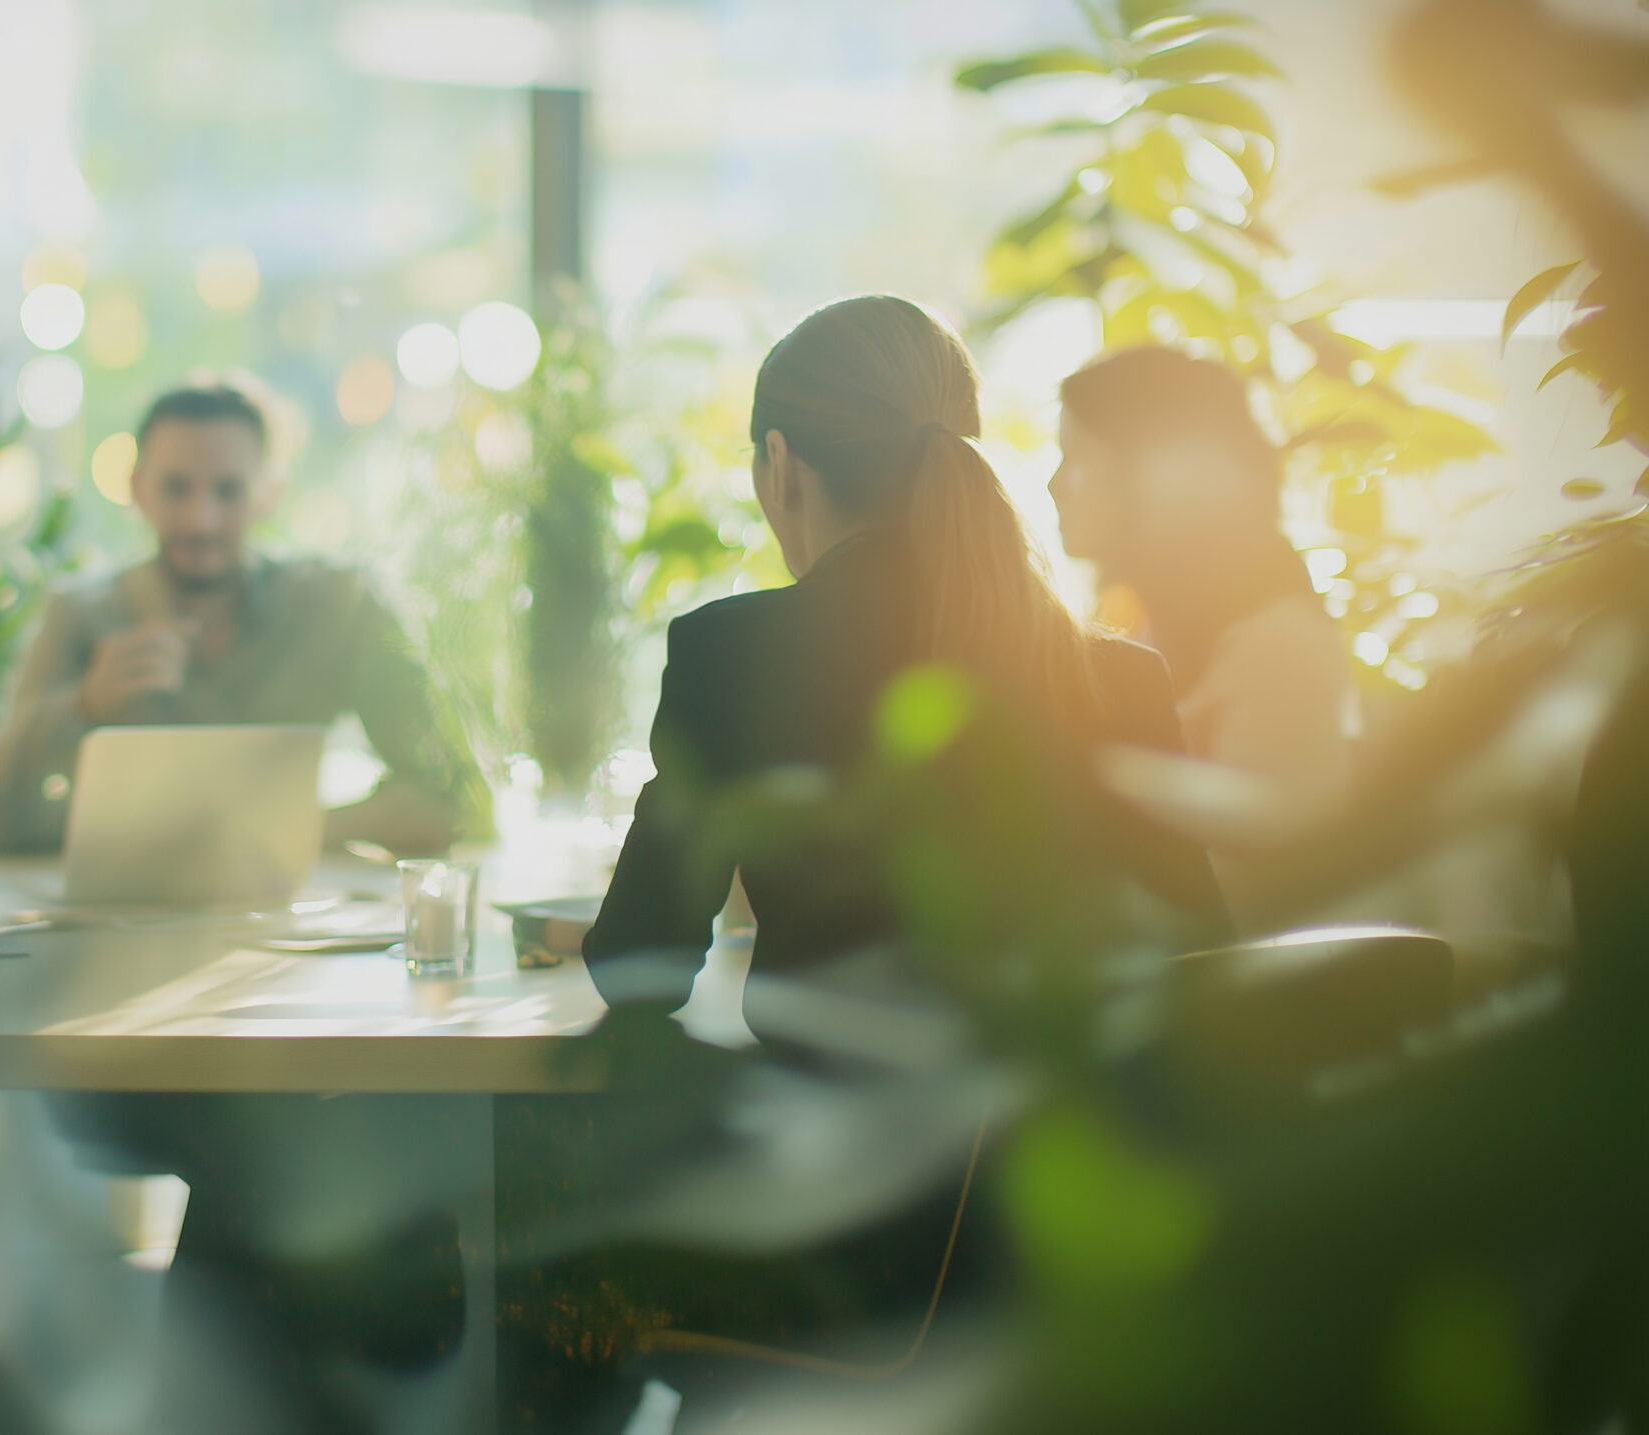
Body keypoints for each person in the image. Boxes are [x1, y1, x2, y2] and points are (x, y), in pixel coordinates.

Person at [514, 297, 1228, 1430]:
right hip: (1082, 1253)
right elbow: (1203, 957)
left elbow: (637, 962)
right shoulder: (1119, 680)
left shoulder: (729, 653)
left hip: (846, 1248)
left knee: (524, 1216)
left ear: (781, 465)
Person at [0, 383, 483, 856]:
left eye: (228, 491)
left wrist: (292, 829)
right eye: (176, 488)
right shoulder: (79, 613)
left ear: (269, 493)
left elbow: (461, 796)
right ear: (137, 488)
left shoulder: (340, 603)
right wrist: (83, 705)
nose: (200, 519)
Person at [1052, 345, 1355, 927]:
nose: (1054, 485)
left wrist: (1091, 778)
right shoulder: (1130, 617)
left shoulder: (1279, 643)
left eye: (1078, 460)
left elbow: (1270, 879)